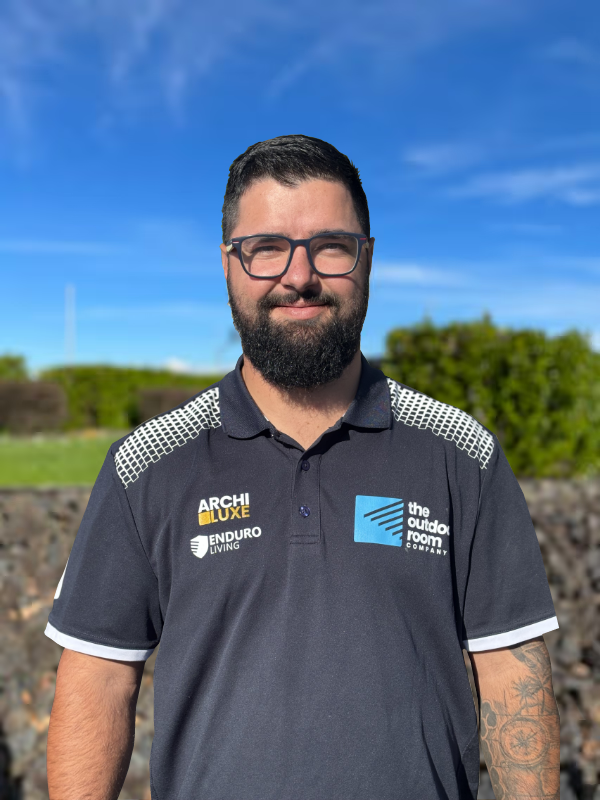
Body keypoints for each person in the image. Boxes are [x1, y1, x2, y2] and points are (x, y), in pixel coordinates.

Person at [45, 134, 561, 800]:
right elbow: (98, 680)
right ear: (228, 264)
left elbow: (513, 671)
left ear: (367, 259)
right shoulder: (146, 465)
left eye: (331, 246)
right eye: (266, 248)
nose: (299, 276)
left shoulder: (462, 454)